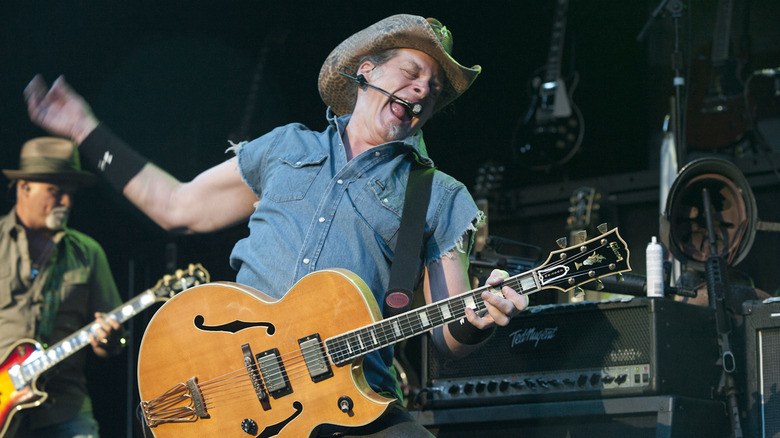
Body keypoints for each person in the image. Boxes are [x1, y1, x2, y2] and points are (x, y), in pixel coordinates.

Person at [24, 14, 528, 436]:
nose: (422, 89)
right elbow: (175, 205)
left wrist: (478, 319)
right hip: (237, 391)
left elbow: (449, 334)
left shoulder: (438, 195)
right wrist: (83, 130)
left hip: (353, 404)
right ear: (367, 71)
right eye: (413, 72)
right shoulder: (288, 148)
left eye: (434, 89)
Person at [1, 137, 124, 438]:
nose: (67, 202)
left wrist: (111, 342)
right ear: (24, 186)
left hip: (64, 406)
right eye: (56, 191)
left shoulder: (88, 252)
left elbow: (118, 339)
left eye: (71, 193)